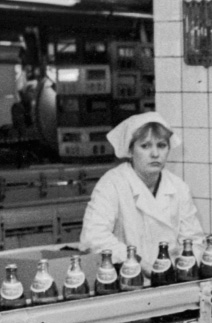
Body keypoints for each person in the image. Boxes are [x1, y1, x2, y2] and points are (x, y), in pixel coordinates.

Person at [80, 112, 204, 263]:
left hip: (171, 278)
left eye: (162, 145)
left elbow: (195, 240)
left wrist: (184, 262)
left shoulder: (179, 187)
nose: (155, 154)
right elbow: (93, 238)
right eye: (145, 146)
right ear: (130, 150)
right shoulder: (112, 184)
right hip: (126, 277)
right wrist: (136, 262)